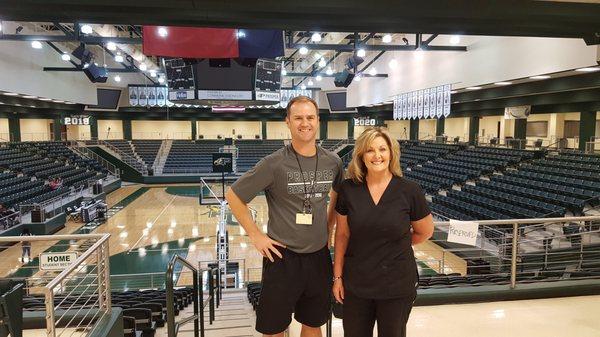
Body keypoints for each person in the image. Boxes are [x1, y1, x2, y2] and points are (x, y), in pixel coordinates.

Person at [225, 96, 343, 337]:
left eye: (310, 117)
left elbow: (338, 196)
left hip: (318, 258)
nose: (304, 123)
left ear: (318, 121)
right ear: (287, 122)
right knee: (274, 328)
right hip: (282, 258)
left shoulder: (333, 162)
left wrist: (328, 229)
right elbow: (234, 195)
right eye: (298, 117)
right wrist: (256, 235)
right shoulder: (273, 163)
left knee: (313, 323)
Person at [332, 127, 434, 337]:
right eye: (370, 150)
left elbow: (424, 232)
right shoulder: (348, 189)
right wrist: (337, 277)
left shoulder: (409, 190)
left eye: (382, 149)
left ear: (391, 153)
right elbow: (342, 235)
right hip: (356, 282)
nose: (377, 156)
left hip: (396, 284)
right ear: (361, 155)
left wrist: (395, 244)